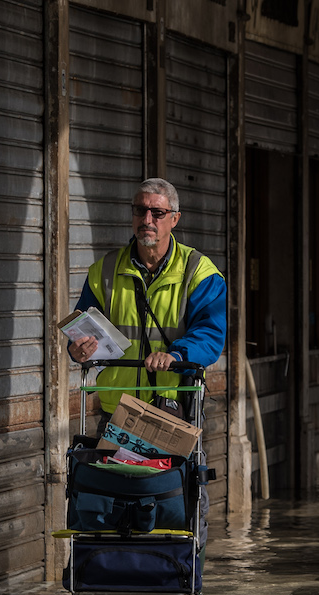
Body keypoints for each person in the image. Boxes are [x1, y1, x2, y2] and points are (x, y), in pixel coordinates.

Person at [68, 177, 228, 424]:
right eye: (140, 210)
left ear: (175, 219)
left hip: (173, 408)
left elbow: (211, 334)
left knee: (173, 465)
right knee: (108, 465)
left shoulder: (199, 271)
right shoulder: (104, 270)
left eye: (158, 212)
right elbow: (83, 329)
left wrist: (176, 356)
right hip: (116, 409)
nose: (147, 220)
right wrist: (78, 349)